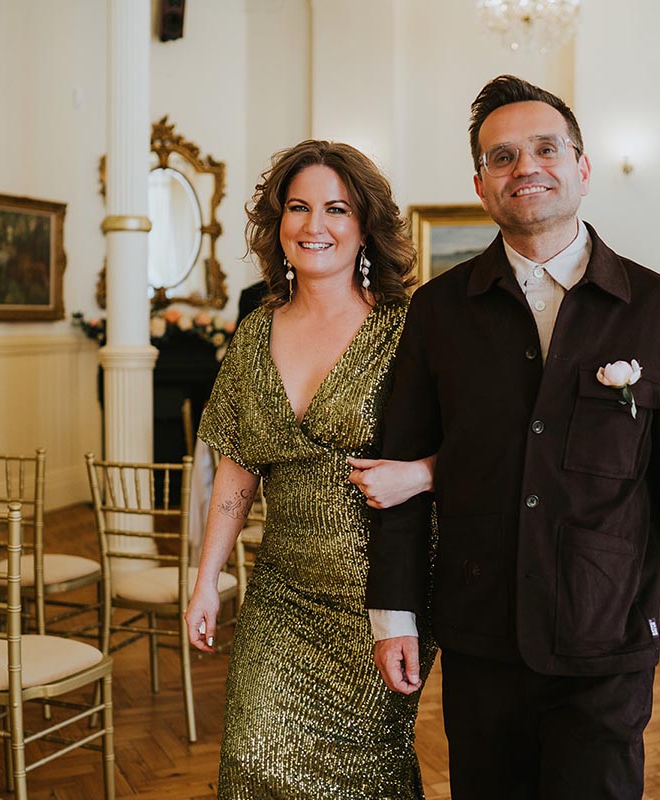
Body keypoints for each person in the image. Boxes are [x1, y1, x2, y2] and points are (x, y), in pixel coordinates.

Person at [365, 75, 660, 799]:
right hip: (479, 631)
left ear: (582, 168)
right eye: (501, 157)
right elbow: (400, 471)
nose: (525, 167)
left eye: (545, 149)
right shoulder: (439, 310)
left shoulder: (657, 308)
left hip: (607, 631)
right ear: (481, 185)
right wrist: (393, 614)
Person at [184, 140, 437, 799]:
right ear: (279, 224)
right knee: (252, 759)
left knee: (363, 777)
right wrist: (206, 580)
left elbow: (482, 446)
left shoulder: (409, 329)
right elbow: (236, 472)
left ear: (365, 228)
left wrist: (421, 474)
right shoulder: (253, 333)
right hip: (281, 592)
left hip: (382, 595)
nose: (313, 225)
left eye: (336, 209)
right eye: (298, 208)